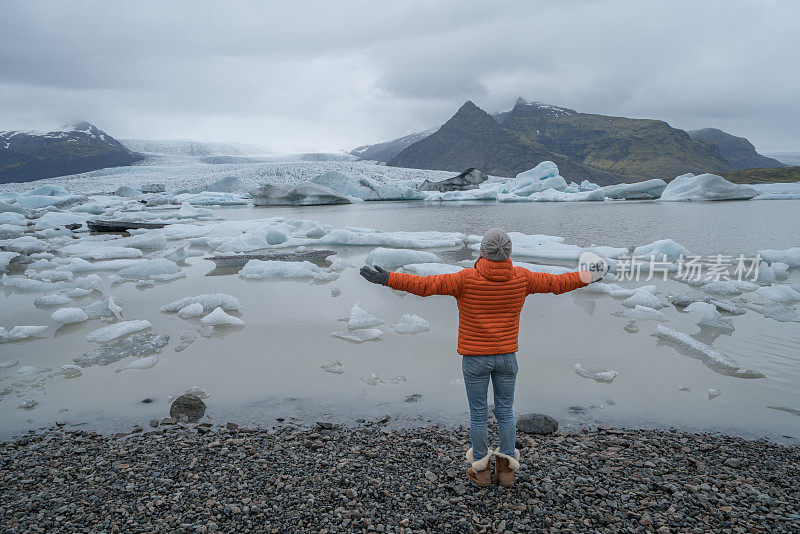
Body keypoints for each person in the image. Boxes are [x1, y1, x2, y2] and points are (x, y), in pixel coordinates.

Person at [360, 228, 608, 487]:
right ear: (508, 253)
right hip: (506, 358)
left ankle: (481, 473)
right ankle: (506, 472)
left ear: (483, 252)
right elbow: (558, 283)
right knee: (506, 413)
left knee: (478, 415)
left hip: (475, 359)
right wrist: (589, 275)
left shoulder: (466, 279)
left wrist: (387, 278)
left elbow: (425, 286)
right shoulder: (522, 277)